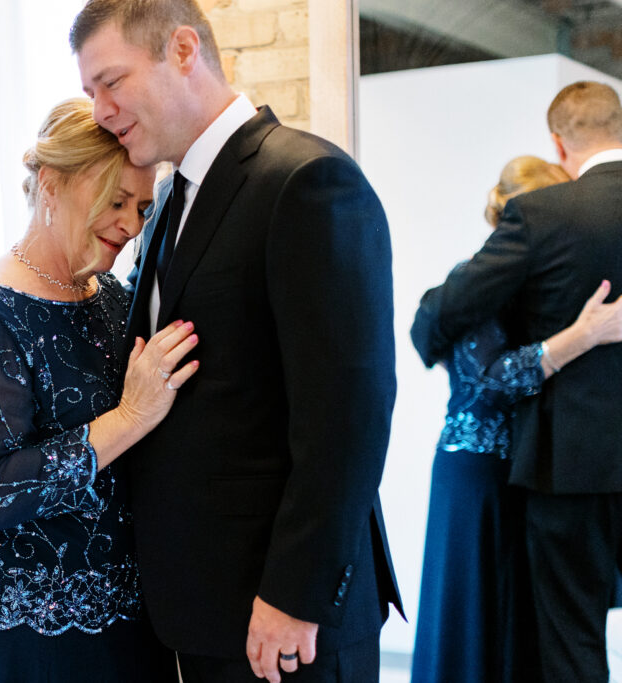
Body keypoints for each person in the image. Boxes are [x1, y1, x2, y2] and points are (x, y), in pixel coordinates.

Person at [71, 3, 401, 681]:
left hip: (283, 618)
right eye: (88, 93)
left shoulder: (304, 181)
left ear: (184, 49)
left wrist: (293, 593)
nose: (100, 110)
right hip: (199, 608)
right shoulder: (168, 201)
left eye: (112, 81)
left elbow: (348, 414)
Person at [0, 97, 198, 682]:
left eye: (141, 207)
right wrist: (130, 416)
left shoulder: (110, 298)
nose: (132, 226)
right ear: (52, 183)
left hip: (130, 624)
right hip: (29, 638)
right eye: (115, 201)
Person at [410, 81, 622, 681]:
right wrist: (577, 337)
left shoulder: (551, 218)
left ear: (561, 144)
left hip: (568, 465)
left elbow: (437, 319)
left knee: (570, 641)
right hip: (502, 467)